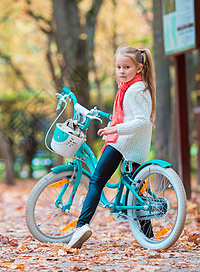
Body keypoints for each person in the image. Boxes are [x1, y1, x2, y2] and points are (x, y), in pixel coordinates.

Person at [67, 45, 156, 249]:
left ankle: (81, 226)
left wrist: (115, 130)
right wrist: (115, 124)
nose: (122, 71)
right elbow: (131, 117)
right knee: (137, 192)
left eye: (127, 67)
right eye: (118, 67)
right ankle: (150, 237)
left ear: (139, 69)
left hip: (124, 143)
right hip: (134, 144)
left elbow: (142, 121)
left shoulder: (135, 90)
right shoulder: (133, 88)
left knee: (97, 180)